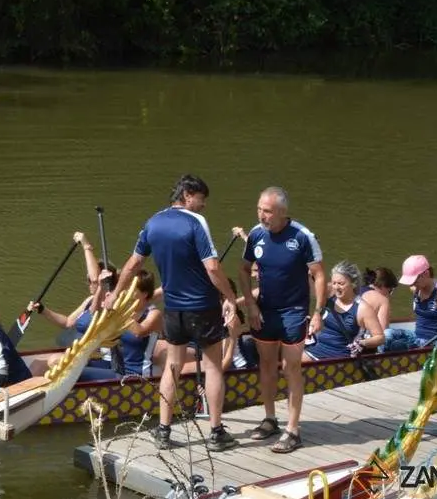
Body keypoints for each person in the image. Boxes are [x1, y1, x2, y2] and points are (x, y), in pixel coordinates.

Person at [106, 174, 239, 452]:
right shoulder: (196, 222)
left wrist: (115, 293)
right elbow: (213, 267)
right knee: (213, 367)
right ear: (188, 195)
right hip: (203, 307)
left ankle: (164, 431)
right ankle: (216, 433)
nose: (203, 206)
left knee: (172, 367)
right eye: (201, 199)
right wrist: (230, 298)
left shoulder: (152, 222)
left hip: (173, 310)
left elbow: (133, 264)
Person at [235, 186, 327, 454]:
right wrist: (250, 304)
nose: (261, 215)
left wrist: (318, 311)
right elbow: (243, 270)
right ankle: (270, 418)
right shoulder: (256, 235)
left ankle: (293, 430)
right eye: (259, 209)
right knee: (266, 364)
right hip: (265, 310)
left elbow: (320, 274)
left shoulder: (302, 236)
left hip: (293, 311)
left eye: (267, 211)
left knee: (291, 367)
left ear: (282, 212)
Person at [302, 261, 385, 361]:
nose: (336, 287)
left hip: (341, 357)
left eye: (341, 283)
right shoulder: (331, 294)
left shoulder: (363, 308)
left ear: (353, 284)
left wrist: (362, 343)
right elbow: (314, 289)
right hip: (317, 350)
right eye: (334, 283)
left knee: (292, 365)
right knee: (289, 359)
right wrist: (309, 274)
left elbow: (380, 337)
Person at [383, 255, 437, 351]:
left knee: (397, 345)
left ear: (426, 273)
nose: (411, 284)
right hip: (418, 338)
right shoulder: (415, 288)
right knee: (386, 334)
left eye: (414, 281)